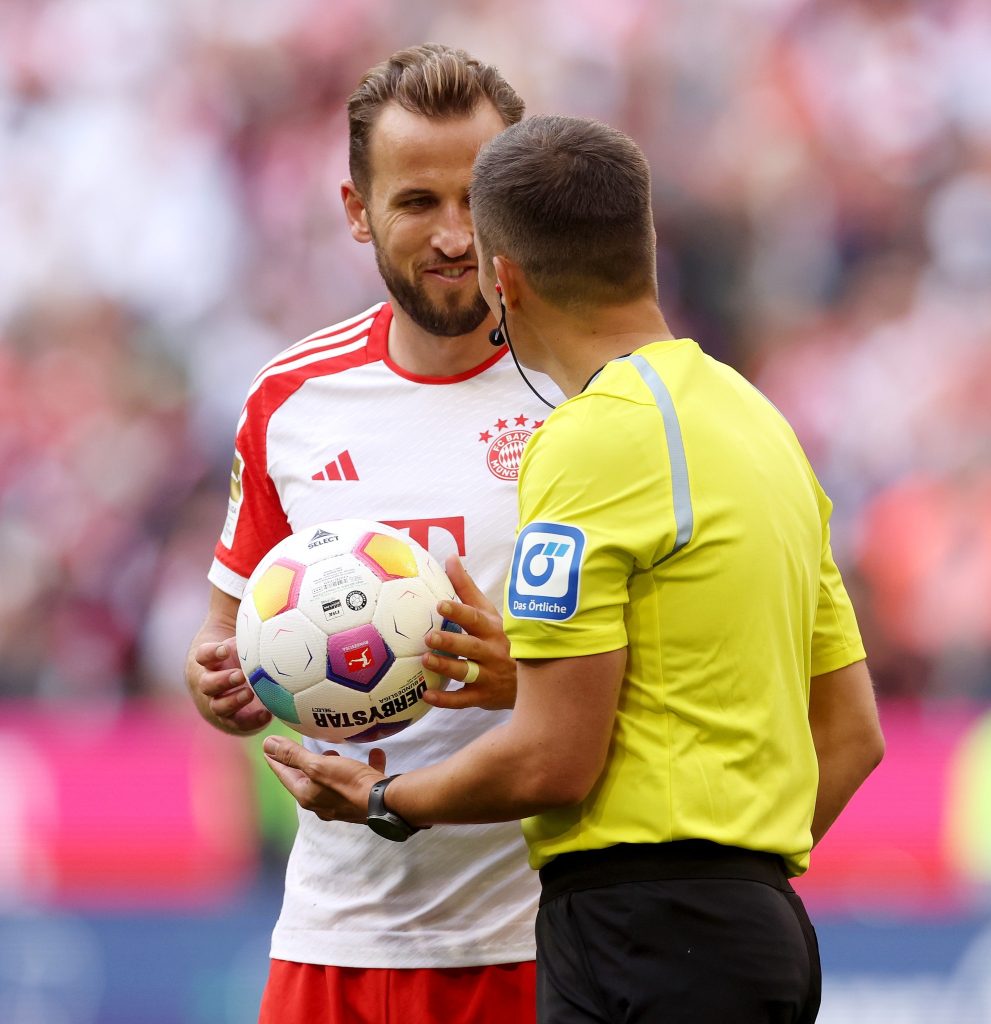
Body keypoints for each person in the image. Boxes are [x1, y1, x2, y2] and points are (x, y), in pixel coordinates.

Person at [262, 114, 886, 1024]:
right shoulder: (759, 422)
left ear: (503, 280)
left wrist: (386, 797)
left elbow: (553, 758)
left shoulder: (588, 438)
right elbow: (852, 733)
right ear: (644, 249)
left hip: (639, 937)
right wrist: (734, 874)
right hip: (755, 929)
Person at [185, 45, 560, 1024]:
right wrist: (222, 681)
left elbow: (679, 668)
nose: (455, 235)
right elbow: (223, 634)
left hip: (534, 938)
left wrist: (528, 679)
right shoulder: (290, 399)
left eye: (476, 198)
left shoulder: (586, 391)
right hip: (333, 936)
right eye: (417, 202)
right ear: (357, 210)